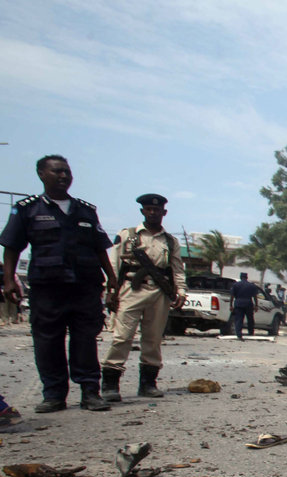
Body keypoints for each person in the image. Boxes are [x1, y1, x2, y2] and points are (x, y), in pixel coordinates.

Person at [1, 154, 117, 412]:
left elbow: (100, 249)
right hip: (48, 286)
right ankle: (53, 394)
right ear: (42, 174)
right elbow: (11, 247)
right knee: (47, 340)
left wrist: (112, 280)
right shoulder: (27, 209)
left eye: (66, 171)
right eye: (57, 171)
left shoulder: (86, 210)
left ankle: (90, 391)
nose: (63, 176)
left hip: (85, 286)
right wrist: (9, 280)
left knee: (85, 339)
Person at [100, 194, 187, 402]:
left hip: (159, 293)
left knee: (153, 339)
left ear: (164, 213)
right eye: (148, 209)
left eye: (157, 210)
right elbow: (113, 265)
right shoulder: (128, 235)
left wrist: (181, 291)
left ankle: (148, 383)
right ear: (142, 211)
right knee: (122, 337)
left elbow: (177, 269)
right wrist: (110, 291)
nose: (153, 212)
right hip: (131, 289)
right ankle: (110, 383)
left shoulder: (170, 240)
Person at [230, 272, 259, 340]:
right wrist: (256, 305)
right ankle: (251, 332)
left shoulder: (236, 285)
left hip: (238, 303)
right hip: (248, 303)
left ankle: (239, 334)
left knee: (239, 319)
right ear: (247, 277)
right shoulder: (251, 285)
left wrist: (231, 305)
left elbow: (232, 296)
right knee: (250, 319)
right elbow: (255, 297)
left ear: (240, 277)